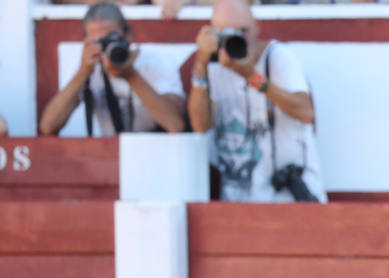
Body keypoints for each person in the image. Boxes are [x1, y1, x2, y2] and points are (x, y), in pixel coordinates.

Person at [188, 0, 326, 202]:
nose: (237, 38)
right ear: (214, 35)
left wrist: (252, 77)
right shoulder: (213, 67)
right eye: (227, 33)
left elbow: (305, 111)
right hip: (237, 202)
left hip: (290, 199)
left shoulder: (277, 57)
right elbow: (200, 126)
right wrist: (200, 65)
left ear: (257, 26)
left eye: (243, 30)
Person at [38, 3, 186, 137]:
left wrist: (131, 76)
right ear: (86, 41)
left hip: (157, 153)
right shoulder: (86, 68)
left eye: (112, 39)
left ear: (128, 35)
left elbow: (175, 124)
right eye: (99, 42)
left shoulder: (155, 63)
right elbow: (48, 127)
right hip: (109, 156)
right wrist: (83, 73)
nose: (107, 48)